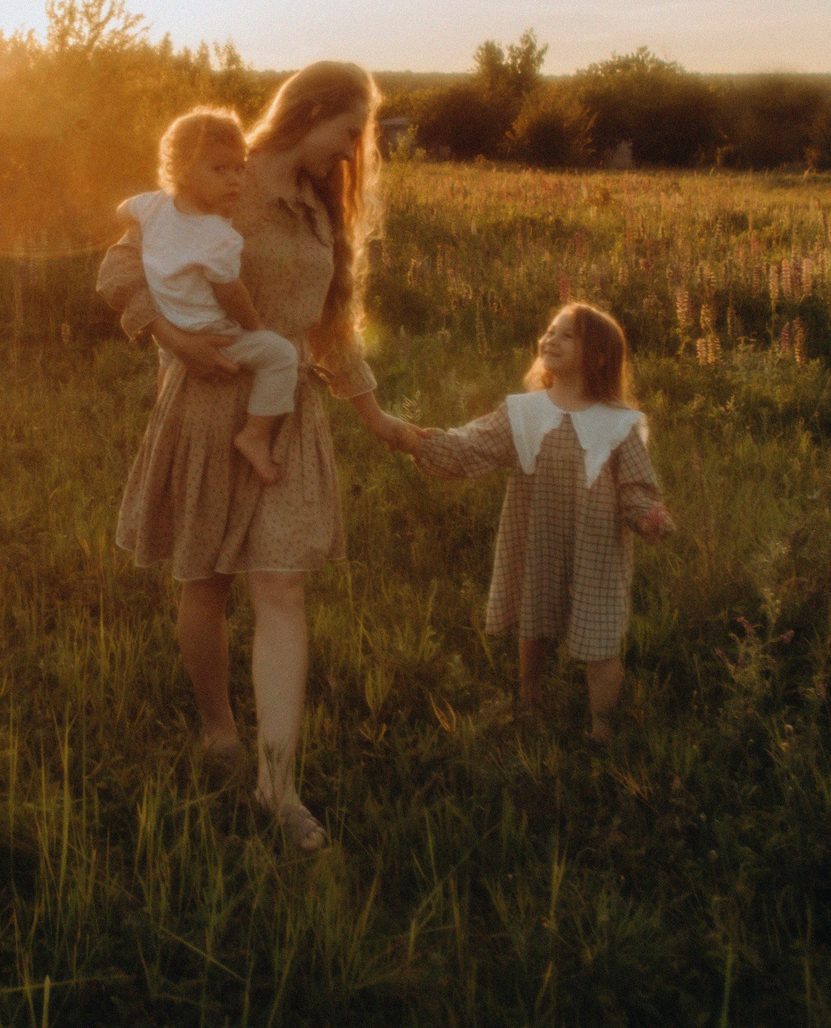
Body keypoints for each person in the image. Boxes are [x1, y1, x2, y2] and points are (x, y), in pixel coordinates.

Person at [96, 61, 420, 853]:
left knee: (280, 585)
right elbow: (119, 266)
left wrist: (374, 414)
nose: (351, 154)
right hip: (207, 404)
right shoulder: (221, 173)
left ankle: (278, 785)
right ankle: (218, 727)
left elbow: (331, 331)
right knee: (203, 577)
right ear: (308, 112)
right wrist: (169, 334)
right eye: (347, 133)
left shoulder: (322, 209)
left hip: (286, 417)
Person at [382, 301, 674, 741]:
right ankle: (529, 704)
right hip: (536, 535)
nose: (549, 339)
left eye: (566, 335)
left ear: (597, 357)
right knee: (532, 620)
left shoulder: (618, 423)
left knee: (601, 636)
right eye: (549, 330)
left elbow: (636, 487)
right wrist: (420, 443)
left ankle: (603, 728)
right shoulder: (525, 412)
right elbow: (471, 445)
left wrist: (646, 516)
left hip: (596, 550)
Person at [116, 108, 299, 485]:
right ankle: (255, 435)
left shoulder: (152, 205)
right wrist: (255, 326)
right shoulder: (219, 236)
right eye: (219, 170)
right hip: (214, 333)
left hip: (171, 322)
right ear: (183, 170)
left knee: (167, 380)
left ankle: (161, 429)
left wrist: (148, 232)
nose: (234, 180)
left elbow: (122, 210)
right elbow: (231, 293)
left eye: (239, 168)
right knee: (281, 355)